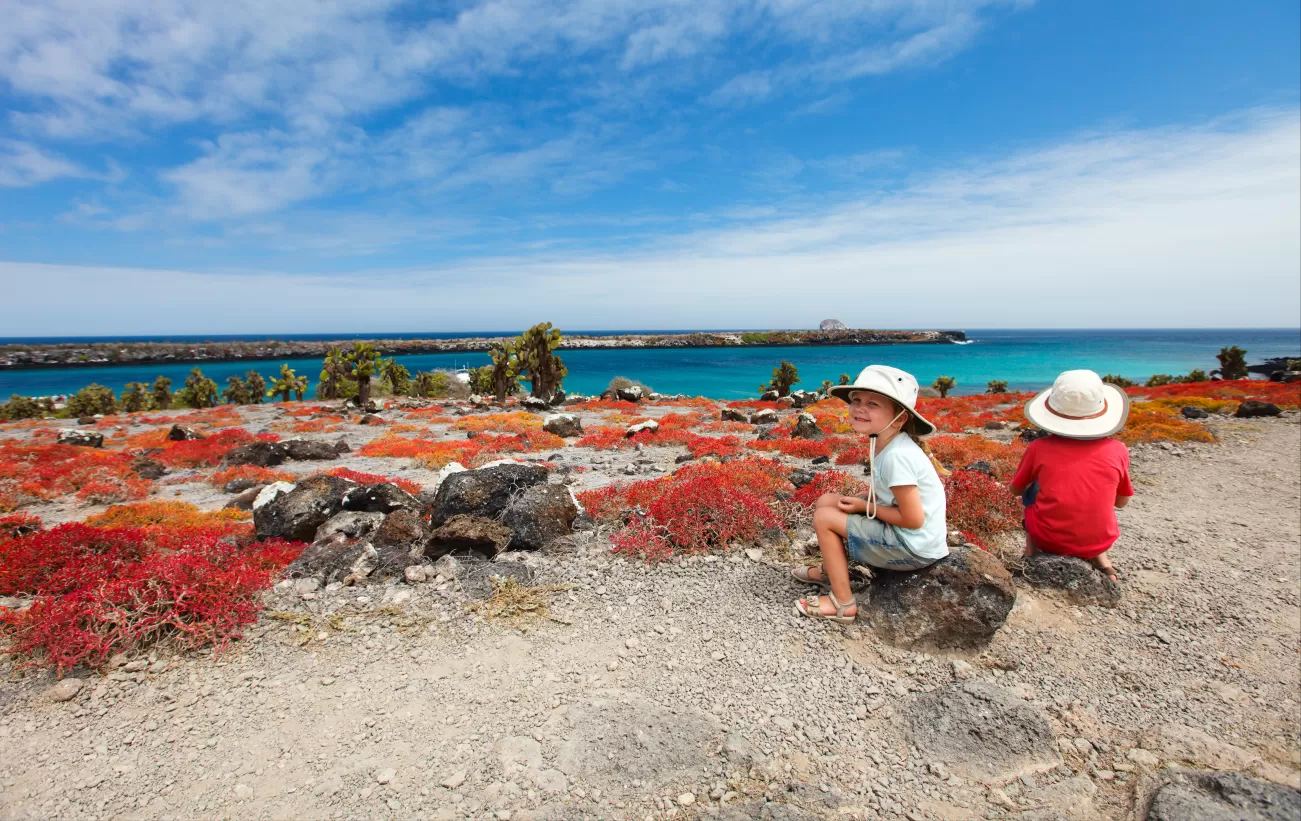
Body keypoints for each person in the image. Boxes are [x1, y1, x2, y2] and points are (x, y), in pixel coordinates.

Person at [792, 365, 949, 623]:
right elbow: (890, 495)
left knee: (825, 519)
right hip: (909, 536)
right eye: (856, 400)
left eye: (873, 403)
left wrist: (862, 507)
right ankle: (834, 569)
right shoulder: (885, 441)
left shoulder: (897, 456)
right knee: (826, 502)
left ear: (899, 418)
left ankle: (842, 604)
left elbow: (913, 520)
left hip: (913, 546)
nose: (859, 408)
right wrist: (863, 502)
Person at [1009, 369, 1134, 582]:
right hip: (1101, 540)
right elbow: (1121, 503)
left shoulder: (1039, 447)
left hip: (1047, 540)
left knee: (1031, 492)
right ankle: (1102, 560)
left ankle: (1030, 553)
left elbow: (1016, 490)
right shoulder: (1118, 449)